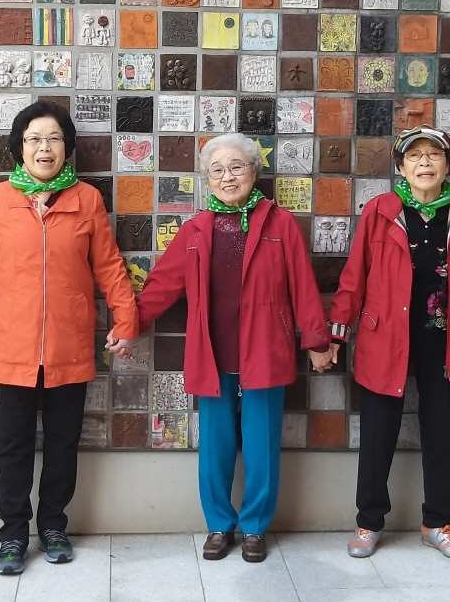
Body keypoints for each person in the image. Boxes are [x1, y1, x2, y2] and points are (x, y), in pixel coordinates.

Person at [0, 101, 138, 575]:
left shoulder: (87, 200)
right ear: (19, 148)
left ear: (67, 147)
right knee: (11, 445)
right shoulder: (0, 199)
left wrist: (126, 320)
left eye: (54, 138)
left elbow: (110, 267)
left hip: (70, 346)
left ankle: (53, 526)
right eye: (34, 139)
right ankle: (12, 533)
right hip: (13, 348)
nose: (44, 147)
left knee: (63, 442)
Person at [134, 133, 331, 564]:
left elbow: (303, 286)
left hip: (266, 351)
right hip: (214, 355)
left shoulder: (280, 224)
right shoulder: (196, 228)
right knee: (215, 448)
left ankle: (255, 527)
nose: (228, 177)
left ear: (254, 172)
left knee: (262, 447)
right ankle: (219, 525)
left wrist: (317, 340)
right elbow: (161, 286)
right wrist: (128, 326)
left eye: (236, 167)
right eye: (218, 170)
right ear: (208, 178)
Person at [325, 126, 450, 561]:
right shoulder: (381, 211)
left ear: (447, 165)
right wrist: (336, 334)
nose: (424, 162)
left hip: (445, 338)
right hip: (386, 337)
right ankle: (368, 521)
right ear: (401, 166)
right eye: (415, 155)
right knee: (377, 435)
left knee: (440, 433)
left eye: (433, 155)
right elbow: (354, 277)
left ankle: (438, 522)